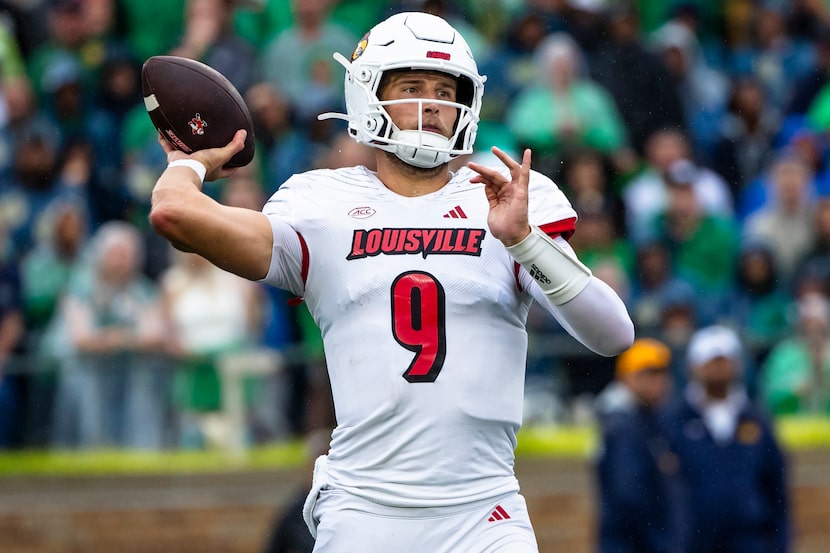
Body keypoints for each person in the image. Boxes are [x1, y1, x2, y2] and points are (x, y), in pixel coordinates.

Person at [149, 12, 633, 552]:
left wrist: (523, 239)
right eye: (411, 87)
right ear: (366, 94)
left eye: (445, 90)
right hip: (363, 509)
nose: (431, 106)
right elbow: (174, 214)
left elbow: (614, 334)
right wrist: (188, 164)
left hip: (483, 508)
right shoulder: (319, 205)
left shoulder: (506, 200)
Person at [662, 325, 790, 553]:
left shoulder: (757, 420)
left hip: (751, 541)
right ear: (693, 365)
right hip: (694, 542)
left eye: (724, 359)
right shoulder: (675, 421)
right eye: (711, 360)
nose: (719, 367)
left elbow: (776, 488)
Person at [593, 338, 682, 553]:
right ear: (625, 379)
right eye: (649, 374)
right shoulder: (623, 426)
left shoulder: (649, 418)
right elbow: (629, 498)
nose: (658, 382)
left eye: (662, 373)